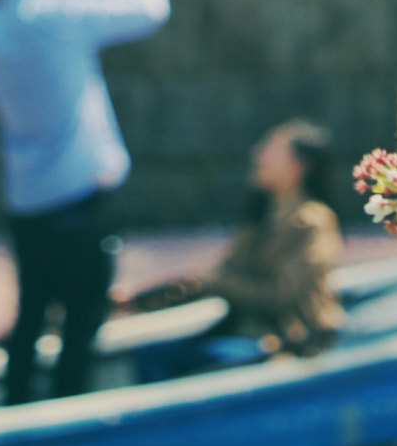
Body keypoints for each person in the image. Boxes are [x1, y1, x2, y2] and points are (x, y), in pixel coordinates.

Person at [0, 0, 169, 404]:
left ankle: (13, 403)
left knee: (32, 311)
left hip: (25, 193)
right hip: (80, 193)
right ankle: (65, 409)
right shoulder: (62, 15)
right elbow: (149, 9)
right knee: (82, 318)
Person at [128, 120, 343, 363]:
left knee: (161, 360)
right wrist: (140, 300)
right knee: (152, 354)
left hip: (285, 340)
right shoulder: (261, 218)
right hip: (246, 333)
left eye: (270, 149)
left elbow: (282, 296)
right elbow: (213, 278)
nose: (257, 155)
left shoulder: (313, 221)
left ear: (298, 166)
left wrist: (221, 283)